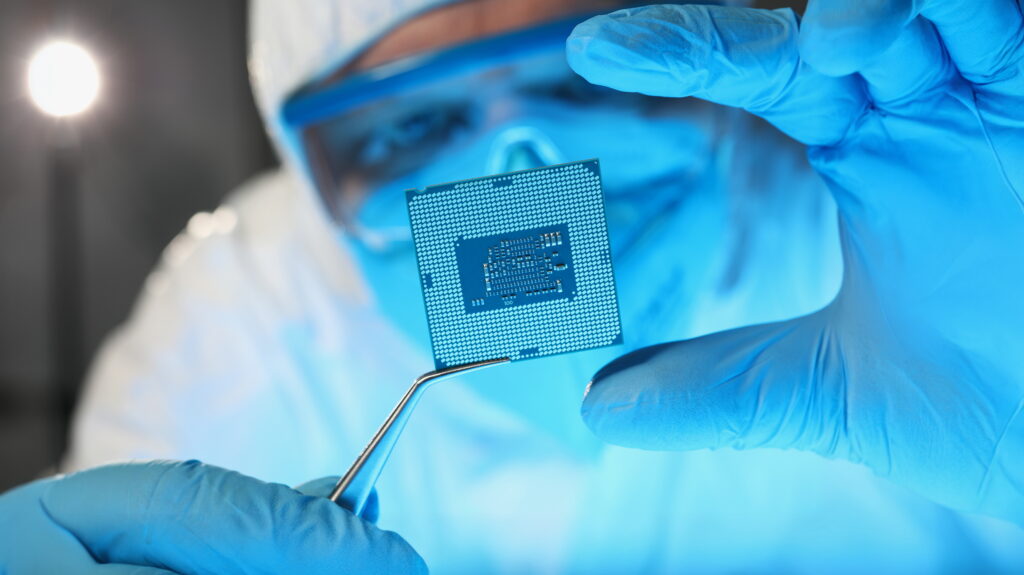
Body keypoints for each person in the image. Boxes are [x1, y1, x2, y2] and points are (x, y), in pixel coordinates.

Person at [3, 0, 1022, 572]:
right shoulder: (242, 325)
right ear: (307, 175)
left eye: (586, 79)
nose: (522, 169)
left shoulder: (917, 233)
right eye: (409, 124)